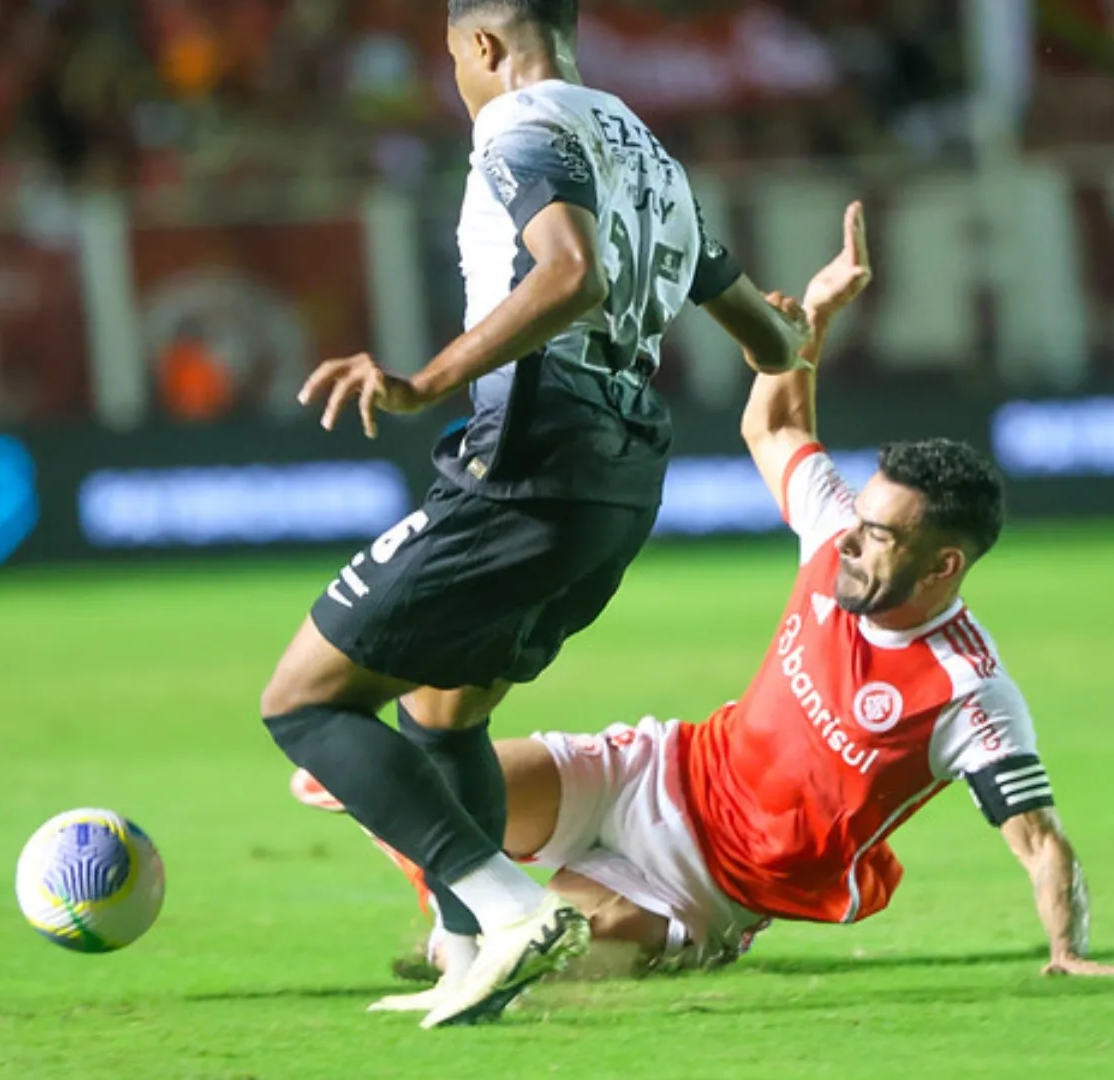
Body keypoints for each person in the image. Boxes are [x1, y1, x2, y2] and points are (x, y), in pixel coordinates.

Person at [293, 204, 1114, 981]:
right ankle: (456, 908)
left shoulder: (966, 691)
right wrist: (810, 322)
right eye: (861, 516)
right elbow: (777, 427)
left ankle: (467, 941)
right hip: (648, 773)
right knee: (417, 796)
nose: (851, 536)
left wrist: (1069, 951)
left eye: (880, 535)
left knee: (533, 956)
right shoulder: (835, 538)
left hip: (708, 887)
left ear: (943, 566)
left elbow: (1038, 841)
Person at [258, 0, 809, 1030]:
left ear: (481, 45)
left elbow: (569, 273)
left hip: (535, 443)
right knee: (447, 707)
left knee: (302, 701)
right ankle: (471, 954)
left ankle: (509, 909)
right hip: (627, 471)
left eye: (453, 65)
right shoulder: (650, 156)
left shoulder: (519, 130)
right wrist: (793, 323)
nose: (457, 86)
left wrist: (423, 382)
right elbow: (772, 346)